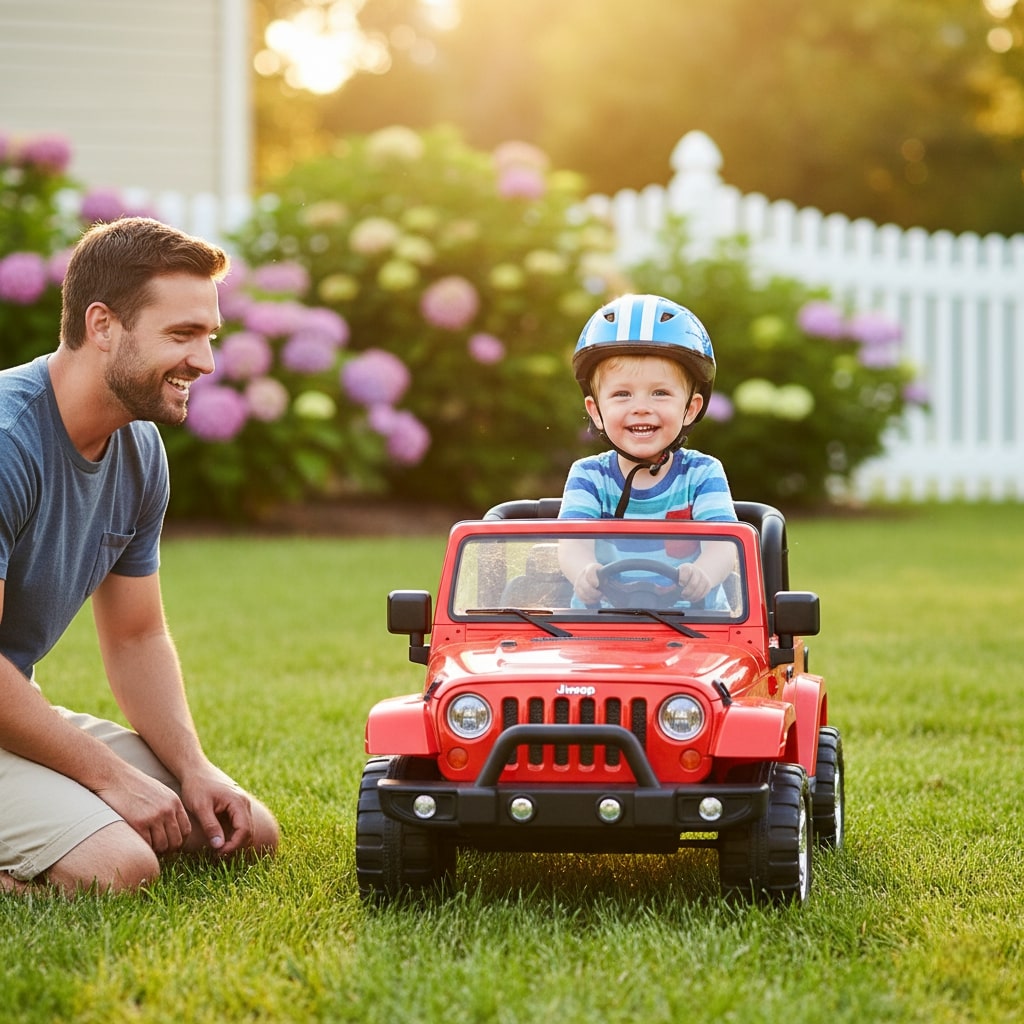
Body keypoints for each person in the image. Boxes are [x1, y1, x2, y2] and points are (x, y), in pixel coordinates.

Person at [0, 217, 278, 896]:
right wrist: (111, 777)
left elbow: (136, 635)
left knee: (244, 831)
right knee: (119, 868)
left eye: (208, 336)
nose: (206, 363)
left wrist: (194, 768)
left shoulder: (138, 448)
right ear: (102, 326)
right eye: (182, 335)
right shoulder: (9, 440)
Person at [558, 293, 737, 607]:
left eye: (660, 393)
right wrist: (583, 572)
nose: (641, 408)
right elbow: (572, 545)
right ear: (596, 410)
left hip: (697, 625)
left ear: (691, 408)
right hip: (598, 623)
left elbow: (724, 546)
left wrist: (703, 574)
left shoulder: (702, 474)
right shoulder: (588, 476)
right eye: (623, 394)